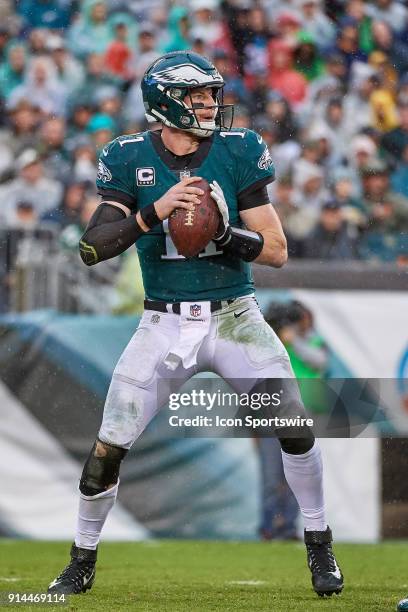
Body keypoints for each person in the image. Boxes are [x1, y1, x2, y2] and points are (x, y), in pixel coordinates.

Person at [47, 51, 343, 599]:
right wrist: (152, 212)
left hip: (235, 317)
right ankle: (81, 559)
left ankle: (320, 544)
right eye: (198, 96)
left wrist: (227, 236)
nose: (210, 104)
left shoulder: (239, 149)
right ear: (165, 103)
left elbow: (276, 251)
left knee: (295, 427)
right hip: (162, 324)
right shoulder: (128, 156)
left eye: (210, 93)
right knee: (108, 446)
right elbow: (92, 248)